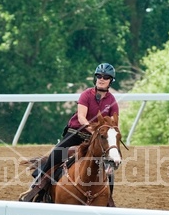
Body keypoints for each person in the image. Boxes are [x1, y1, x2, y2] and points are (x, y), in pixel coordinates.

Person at [19, 62, 119, 203]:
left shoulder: (112, 101)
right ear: (95, 78)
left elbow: (114, 124)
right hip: (76, 133)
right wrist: (93, 130)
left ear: (110, 81)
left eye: (106, 77)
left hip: (96, 139)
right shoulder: (86, 95)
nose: (101, 79)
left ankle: (108, 200)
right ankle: (36, 187)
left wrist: (104, 136)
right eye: (99, 76)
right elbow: (81, 117)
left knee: (108, 167)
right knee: (56, 154)